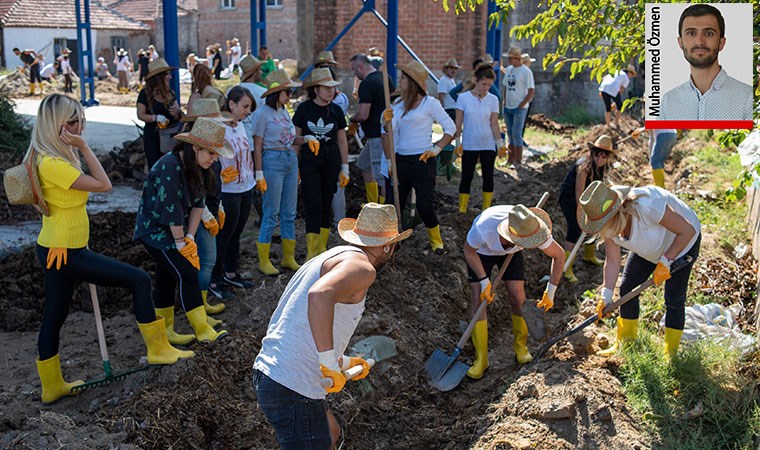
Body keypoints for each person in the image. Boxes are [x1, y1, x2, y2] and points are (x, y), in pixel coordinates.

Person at [31, 94, 193, 404]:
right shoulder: (53, 163)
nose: (82, 127)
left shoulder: (53, 157)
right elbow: (105, 185)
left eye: (81, 122)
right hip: (66, 252)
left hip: (60, 246)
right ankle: (157, 349)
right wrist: (84, 147)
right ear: (60, 126)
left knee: (55, 315)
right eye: (75, 122)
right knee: (139, 280)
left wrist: (75, 148)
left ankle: (51, 386)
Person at [253, 203, 411, 449]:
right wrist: (327, 363)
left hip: (276, 375)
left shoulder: (335, 255)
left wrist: (342, 361)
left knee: (331, 434)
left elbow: (304, 323)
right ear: (387, 246)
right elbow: (319, 296)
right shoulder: (363, 268)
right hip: (293, 384)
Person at [134, 117, 233, 344]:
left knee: (167, 276)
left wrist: (189, 237)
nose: (215, 159)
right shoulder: (169, 167)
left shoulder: (197, 167)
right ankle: (202, 329)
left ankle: (167, 331)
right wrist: (180, 242)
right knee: (187, 273)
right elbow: (171, 211)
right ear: (195, 148)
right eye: (212, 153)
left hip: (175, 229)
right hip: (155, 231)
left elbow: (198, 203)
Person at [578, 181, 701, 358]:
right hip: (649, 248)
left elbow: (687, 231)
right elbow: (612, 260)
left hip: (682, 245)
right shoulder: (609, 225)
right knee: (627, 288)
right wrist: (606, 295)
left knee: (674, 299)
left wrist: (666, 261)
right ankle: (625, 345)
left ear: (615, 213)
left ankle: (670, 354)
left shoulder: (648, 206)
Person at [464, 204, 564, 377]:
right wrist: (483, 281)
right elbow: (468, 250)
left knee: (517, 296)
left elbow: (559, 255)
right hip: (481, 254)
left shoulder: (532, 229)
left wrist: (551, 291)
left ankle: (521, 347)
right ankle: (481, 358)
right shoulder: (483, 228)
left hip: (512, 254)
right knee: (478, 299)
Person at [383, 60, 455, 254]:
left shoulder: (430, 103)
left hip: (423, 160)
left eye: (403, 78)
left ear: (413, 82)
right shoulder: (397, 104)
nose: (400, 81)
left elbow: (451, 128)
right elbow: (392, 132)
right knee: (393, 205)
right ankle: (392, 242)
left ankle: (436, 242)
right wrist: (385, 122)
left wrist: (436, 149)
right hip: (401, 160)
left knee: (424, 204)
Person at [172, 99, 232, 331]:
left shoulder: (209, 147)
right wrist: (206, 212)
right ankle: (197, 308)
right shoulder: (191, 154)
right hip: (195, 214)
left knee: (207, 260)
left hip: (209, 207)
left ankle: (202, 304)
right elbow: (193, 190)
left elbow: (210, 183)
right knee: (204, 260)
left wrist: (219, 206)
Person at [293, 68, 350, 261]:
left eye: (332, 87)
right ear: (315, 89)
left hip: (331, 160)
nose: (330, 91)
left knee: (327, 202)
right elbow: (295, 138)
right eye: (326, 88)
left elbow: (342, 140)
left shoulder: (336, 110)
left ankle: (322, 248)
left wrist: (345, 167)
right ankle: (311, 249)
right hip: (310, 161)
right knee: (313, 202)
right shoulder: (303, 109)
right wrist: (295, 166)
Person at [661, 4, 753, 121]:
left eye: (708, 33)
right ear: (680, 42)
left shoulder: (748, 98)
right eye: (691, 33)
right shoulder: (668, 101)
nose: (699, 41)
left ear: (721, 43)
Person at [252, 69, 302, 276]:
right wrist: (259, 172)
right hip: (271, 161)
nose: (290, 96)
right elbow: (257, 145)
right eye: (287, 92)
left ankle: (288, 258)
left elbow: (289, 139)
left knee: (289, 213)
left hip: (289, 159)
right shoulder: (262, 114)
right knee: (271, 212)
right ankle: (264, 260)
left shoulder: (283, 111)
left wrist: (306, 140)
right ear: (277, 93)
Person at [211, 86, 256, 295]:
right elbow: (209, 160)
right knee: (224, 235)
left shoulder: (240, 126)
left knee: (236, 233)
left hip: (245, 186)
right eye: (245, 106)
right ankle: (215, 279)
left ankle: (231, 272)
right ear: (231, 104)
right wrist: (219, 175)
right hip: (228, 190)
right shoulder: (219, 128)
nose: (248, 111)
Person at [558, 135, 616, 283]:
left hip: (586, 197)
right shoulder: (584, 167)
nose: (600, 159)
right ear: (593, 152)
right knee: (575, 228)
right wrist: (583, 214)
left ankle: (588, 255)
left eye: (604, 156)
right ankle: (566, 267)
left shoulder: (603, 167)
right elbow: (579, 194)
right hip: (570, 198)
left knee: (594, 223)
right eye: (597, 154)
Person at [453, 64, 505, 214]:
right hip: (469, 143)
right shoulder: (463, 98)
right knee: (466, 176)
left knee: (488, 176)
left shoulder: (493, 99)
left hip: (488, 143)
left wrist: (499, 144)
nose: (486, 88)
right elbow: (458, 122)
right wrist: (457, 142)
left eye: (489, 85)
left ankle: (486, 209)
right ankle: (462, 209)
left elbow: (494, 123)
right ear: (476, 80)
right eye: (484, 84)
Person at [349, 53, 395, 204]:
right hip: (383, 133)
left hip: (378, 135)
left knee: (379, 174)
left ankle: (381, 208)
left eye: (354, 70)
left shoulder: (367, 84)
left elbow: (363, 114)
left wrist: (351, 119)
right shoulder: (385, 78)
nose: (354, 73)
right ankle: (372, 202)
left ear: (360, 67)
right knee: (364, 164)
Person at [136, 58, 183, 170]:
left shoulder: (170, 93)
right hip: (153, 137)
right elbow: (140, 115)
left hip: (169, 137)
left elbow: (177, 117)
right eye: (167, 74)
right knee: (155, 167)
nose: (170, 77)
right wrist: (155, 118)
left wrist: (177, 112)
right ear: (159, 77)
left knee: (170, 166)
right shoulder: (145, 94)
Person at [502, 47, 535, 169]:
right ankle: (510, 159)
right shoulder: (509, 70)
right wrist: (504, 101)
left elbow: (531, 90)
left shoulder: (526, 72)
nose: (509, 60)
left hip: (519, 108)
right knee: (510, 134)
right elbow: (505, 85)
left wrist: (523, 103)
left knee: (517, 134)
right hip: (508, 106)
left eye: (511, 58)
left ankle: (518, 161)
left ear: (517, 58)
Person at [437, 58, 460, 123]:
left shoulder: (451, 80)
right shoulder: (444, 80)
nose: (453, 71)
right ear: (446, 69)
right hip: (448, 110)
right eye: (451, 68)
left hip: (454, 109)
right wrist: (442, 112)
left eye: (455, 69)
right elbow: (441, 96)